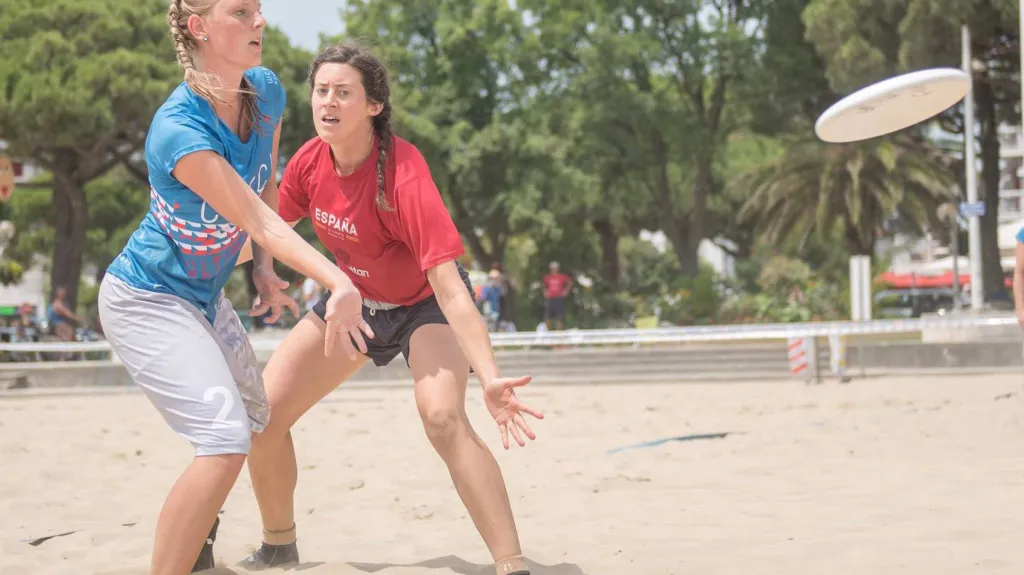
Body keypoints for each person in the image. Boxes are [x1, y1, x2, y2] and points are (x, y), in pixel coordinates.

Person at [238, 42, 543, 575]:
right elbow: (267, 230)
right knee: (262, 420)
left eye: (343, 92)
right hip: (353, 306)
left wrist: (490, 376)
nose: (327, 102)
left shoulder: (403, 174)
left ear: (373, 106)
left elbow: (450, 291)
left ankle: (510, 562)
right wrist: (199, 252)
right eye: (321, 90)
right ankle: (278, 545)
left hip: (423, 306)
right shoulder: (311, 161)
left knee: (443, 418)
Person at [97, 2, 369, 574]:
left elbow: (266, 186)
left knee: (254, 421)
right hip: (144, 298)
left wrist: (263, 269)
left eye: (260, 10)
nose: (260, 22)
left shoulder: (264, 92)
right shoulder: (180, 128)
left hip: (204, 299)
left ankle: (244, 545)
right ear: (200, 28)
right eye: (242, 11)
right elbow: (258, 220)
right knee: (223, 440)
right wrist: (336, 279)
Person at [542, 261, 572, 330]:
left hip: (559, 298)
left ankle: (559, 334)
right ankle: (549, 334)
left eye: (555, 268)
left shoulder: (562, 276)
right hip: (550, 299)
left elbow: (570, 282)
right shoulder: (548, 277)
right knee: (547, 317)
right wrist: (545, 292)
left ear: (558, 268)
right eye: (552, 268)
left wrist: (566, 291)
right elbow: (543, 285)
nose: (553, 269)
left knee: (559, 317)